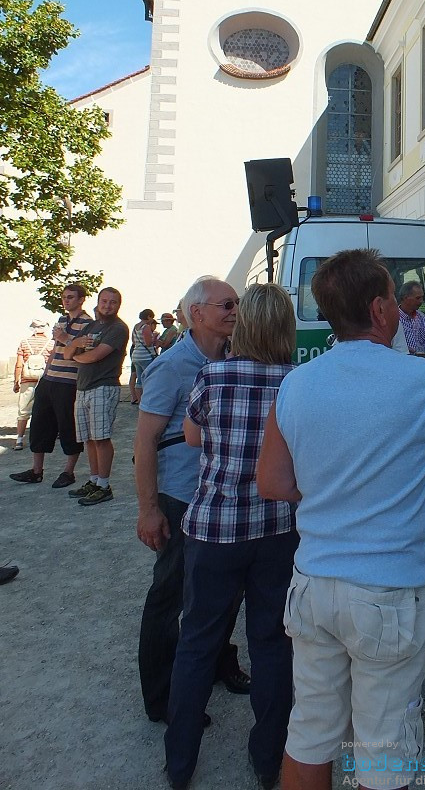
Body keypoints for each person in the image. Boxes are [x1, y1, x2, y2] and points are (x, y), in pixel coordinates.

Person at [256, 248, 425, 790]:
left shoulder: (296, 384)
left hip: (313, 584)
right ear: (381, 309)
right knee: (383, 753)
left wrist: (330, 492)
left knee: (309, 735)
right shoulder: (419, 379)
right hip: (387, 592)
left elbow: (272, 483)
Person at [164, 284, 298, 790]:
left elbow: (194, 438)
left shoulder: (213, 376)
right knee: (272, 643)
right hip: (277, 530)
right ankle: (267, 760)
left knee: (197, 643)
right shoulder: (296, 382)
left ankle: (180, 764)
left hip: (216, 527)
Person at [134, 276, 250, 725]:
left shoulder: (233, 358)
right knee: (171, 595)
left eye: (236, 303)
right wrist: (148, 509)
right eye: (226, 304)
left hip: (222, 495)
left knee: (224, 589)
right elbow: (144, 444)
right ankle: (163, 699)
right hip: (182, 498)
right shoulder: (171, 367)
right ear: (196, 313)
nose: (235, 310)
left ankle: (222, 664)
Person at [9, 284, 93, 488]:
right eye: (64, 297)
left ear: (81, 299)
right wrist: (45, 375)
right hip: (49, 379)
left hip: (69, 381)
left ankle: (68, 472)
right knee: (39, 424)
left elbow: (85, 348)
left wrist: (66, 338)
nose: (66, 300)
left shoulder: (88, 323)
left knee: (67, 427)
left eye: (71, 297)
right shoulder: (62, 320)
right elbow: (57, 348)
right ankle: (36, 470)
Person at [62, 287, 129, 505]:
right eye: (105, 301)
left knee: (101, 438)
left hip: (103, 386)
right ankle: (94, 479)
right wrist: (75, 345)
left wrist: (77, 353)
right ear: (98, 302)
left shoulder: (118, 328)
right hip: (82, 388)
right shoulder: (92, 325)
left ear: (119, 305)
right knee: (89, 439)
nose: (108, 306)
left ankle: (104, 485)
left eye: (113, 302)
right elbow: (66, 352)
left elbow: (95, 356)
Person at [12, 319, 53, 451]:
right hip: (45, 380)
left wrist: (16, 381)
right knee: (47, 409)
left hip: (27, 379)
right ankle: (48, 435)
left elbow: (19, 364)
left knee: (23, 411)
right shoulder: (51, 343)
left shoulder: (24, 343)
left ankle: (19, 439)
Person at [397, 281, 425, 355]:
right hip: (403, 362)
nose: (421, 301)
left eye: (422, 297)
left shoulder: (422, 317)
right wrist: (403, 349)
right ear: (405, 298)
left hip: (422, 362)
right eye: (418, 298)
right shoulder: (394, 318)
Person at [130, 308, 159, 403]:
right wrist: (153, 337)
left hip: (136, 355)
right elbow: (148, 343)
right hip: (145, 356)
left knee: (139, 380)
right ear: (149, 316)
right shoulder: (145, 327)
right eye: (152, 317)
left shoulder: (136, 326)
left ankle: (140, 401)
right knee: (149, 378)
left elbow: (134, 341)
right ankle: (148, 400)